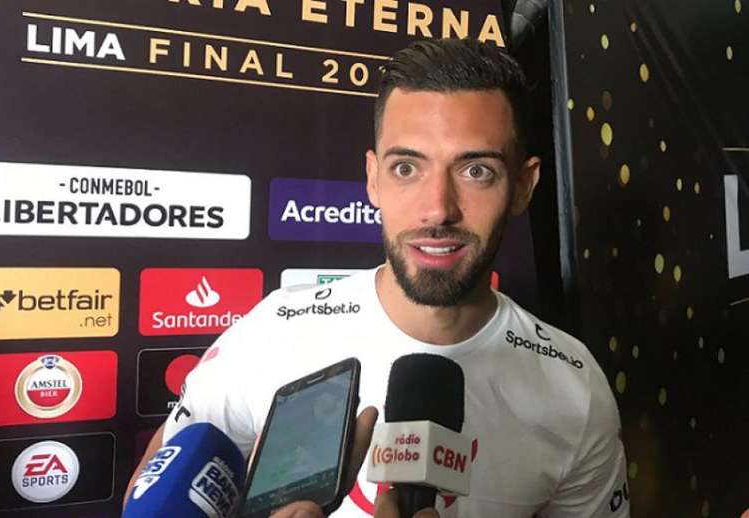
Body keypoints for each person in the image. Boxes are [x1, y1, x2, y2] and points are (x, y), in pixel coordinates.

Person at [126, 38, 630, 517]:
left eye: (476, 171)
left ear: (523, 186)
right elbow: (154, 495)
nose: (438, 209)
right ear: (372, 179)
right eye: (407, 168)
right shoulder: (272, 332)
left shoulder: (573, 386)